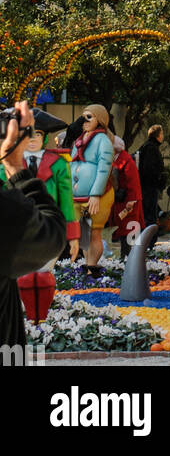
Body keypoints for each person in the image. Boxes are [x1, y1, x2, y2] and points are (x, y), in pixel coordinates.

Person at [0, 101, 66, 349]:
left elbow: (65, 189)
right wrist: (15, 166)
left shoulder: (57, 163)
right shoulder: (7, 213)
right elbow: (51, 235)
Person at [0, 109, 79, 259]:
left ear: (45, 138)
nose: (32, 138)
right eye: (28, 133)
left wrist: (73, 236)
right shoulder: (7, 163)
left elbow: (66, 201)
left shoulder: (58, 164)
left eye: (38, 134)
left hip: (47, 227)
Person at [70, 105, 115, 272]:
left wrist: (95, 194)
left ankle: (92, 266)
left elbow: (104, 168)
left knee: (94, 233)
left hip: (97, 197)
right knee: (84, 234)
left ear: (99, 119)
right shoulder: (80, 139)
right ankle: (88, 265)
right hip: (79, 197)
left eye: (89, 117)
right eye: (83, 117)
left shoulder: (103, 141)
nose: (85, 120)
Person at [108, 136, 145, 258]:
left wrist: (131, 200)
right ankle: (127, 255)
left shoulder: (126, 161)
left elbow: (133, 182)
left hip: (129, 202)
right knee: (124, 231)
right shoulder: (117, 159)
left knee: (130, 230)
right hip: (122, 200)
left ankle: (131, 257)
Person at [138, 124, 166, 233]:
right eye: (162, 133)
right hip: (149, 187)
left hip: (148, 186)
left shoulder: (147, 146)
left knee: (150, 214)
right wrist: (158, 181)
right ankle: (149, 241)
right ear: (158, 135)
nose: (163, 136)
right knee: (150, 216)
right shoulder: (151, 148)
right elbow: (150, 169)